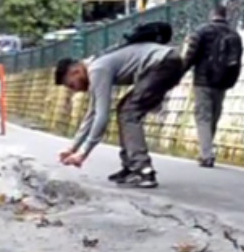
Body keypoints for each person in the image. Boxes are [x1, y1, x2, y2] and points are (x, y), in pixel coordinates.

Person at [53, 41, 184, 189]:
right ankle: (130, 167)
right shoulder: (95, 66)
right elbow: (92, 113)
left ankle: (143, 170)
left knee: (129, 112)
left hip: (162, 63)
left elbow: (102, 115)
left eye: (72, 85)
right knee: (124, 109)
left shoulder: (97, 69)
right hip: (166, 61)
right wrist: (72, 148)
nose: (76, 90)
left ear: (76, 71)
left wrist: (83, 154)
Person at [182, 5, 243, 168]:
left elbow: (191, 55)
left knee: (203, 117)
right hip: (222, 82)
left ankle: (206, 154)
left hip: (203, 81)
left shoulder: (202, 31)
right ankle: (206, 150)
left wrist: (179, 72)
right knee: (214, 116)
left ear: (212, 14)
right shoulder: (234, 34)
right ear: (225, 15)